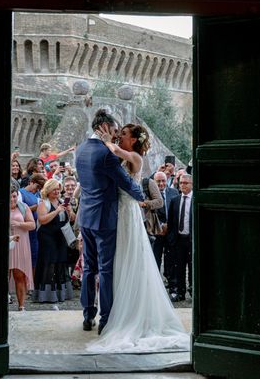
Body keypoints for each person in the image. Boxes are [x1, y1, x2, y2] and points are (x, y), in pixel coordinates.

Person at [85, 121, 190, 353]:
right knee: (116, 262)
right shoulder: (122, 156)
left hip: (128, 214)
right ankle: (115, 311)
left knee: (130, 258)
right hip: (117, 213)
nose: (119, 137)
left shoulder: (135, 158)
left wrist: (103, 140)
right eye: (119, 134)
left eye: (123, 134)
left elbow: (116, 151)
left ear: (133, 139)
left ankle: (131, 314)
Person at [74, 109, 145, 335]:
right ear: (103, 127)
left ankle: (87, 316)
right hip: (104, 219)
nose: (115, 136)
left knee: (88, 268)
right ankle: (105, 319)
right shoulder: (106, 154)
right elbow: (127, 183)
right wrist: (141, 194)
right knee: (105, 270)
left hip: (85, 217)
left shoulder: (81, 149)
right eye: (114, 130)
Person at [33, 179, 74, 303]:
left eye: (58, 189)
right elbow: (42, 220)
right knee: (49, 262)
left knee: (61, 262)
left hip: (60, 237)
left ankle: (61, 293)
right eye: (54, 189)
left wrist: (69, 211)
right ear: (48, 190)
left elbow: (72, 219)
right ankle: (46, 295)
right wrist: (57, 211)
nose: (57, 191)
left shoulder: (63, 202)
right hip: (47, 237)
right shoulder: (43, 203)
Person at [166, 173, 193, 302]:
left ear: (192, 184)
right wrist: (172, 239)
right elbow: (171, 222)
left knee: (193, 267)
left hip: (192, 240)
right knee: (179, 267)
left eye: (186, 183)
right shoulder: (175, 200)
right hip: (179, 240)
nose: (182, 185)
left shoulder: (195, 200)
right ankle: (180, 292)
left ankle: (193, 291)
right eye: (181, 183)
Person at [9, 188, 35, 311]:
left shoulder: (23, 207)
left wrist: (19, 224)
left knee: (19, 276)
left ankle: (21, 306)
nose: (12, 199)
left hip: (21, 244)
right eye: (10, 196)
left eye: (14, 196)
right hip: (7, 245)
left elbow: (32, 225)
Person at [151, 171, 179, 278]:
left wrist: (170, 226)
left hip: (171, 232)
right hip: (157, 232)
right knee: (155, 258)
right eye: (158, 181)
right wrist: (161, 225)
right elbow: (149, 213)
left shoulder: (174, 192)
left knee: (171, 258)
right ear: (154, 182)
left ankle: (171, 281)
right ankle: (155, 280)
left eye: (163, 181)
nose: (161, 184)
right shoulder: (149, 194)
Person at [19, 172, 46, 272]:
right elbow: (19, 212)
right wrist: (34, 208)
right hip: (26, 230)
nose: (37, 189)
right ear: (31, 182)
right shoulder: (20, 193)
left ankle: (34, 283)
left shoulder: (38, 194)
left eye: (40, 187)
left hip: (37, 229)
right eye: (37, 186)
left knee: (35, 255)